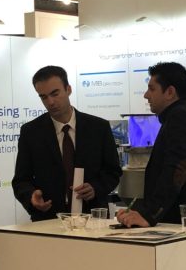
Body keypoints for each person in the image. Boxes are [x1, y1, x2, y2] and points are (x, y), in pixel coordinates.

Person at [117, 62, 186, 228]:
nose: (146, 95)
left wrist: (150, 214)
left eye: (152, 89)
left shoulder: (179, 118)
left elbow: (178, 168)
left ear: (170, 92)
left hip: (179, 228)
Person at [12, 65, 121, 220]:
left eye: (55, 94)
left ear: (68, 89)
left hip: (92, 217)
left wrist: (95, 188)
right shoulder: (31, 132)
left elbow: (113, 171)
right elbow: (21, 180)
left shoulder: (98, 128)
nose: (50, 102)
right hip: (49, 218)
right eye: (43, 97)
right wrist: (31, 196)